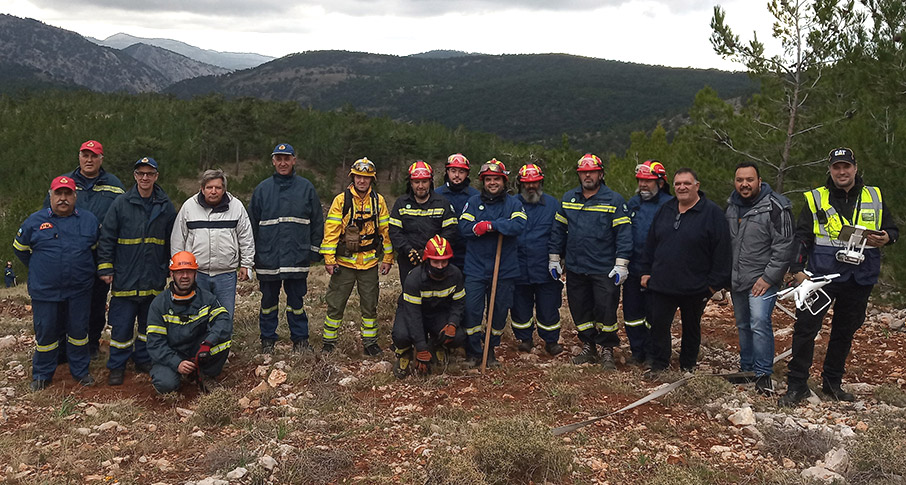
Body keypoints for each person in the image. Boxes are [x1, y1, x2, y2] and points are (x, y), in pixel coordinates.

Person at [779, 148, 898, 406]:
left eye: (846, 167)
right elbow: (802, 237)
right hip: (822, 275)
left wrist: (888, 237)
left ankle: (832, 383)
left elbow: (892, 229)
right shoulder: (815, 198)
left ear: (855, 168)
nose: (841, 172)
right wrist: (797, 270)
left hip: (859, 276)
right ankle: (797, 384)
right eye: (836, 167)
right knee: (805, 328)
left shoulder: (874, 196)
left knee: (844, 332)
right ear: (830, 170)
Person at [639, 168, 731, 374]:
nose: (682, 187)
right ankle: (659, 364)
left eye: (687, 183)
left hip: (696, 286)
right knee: (659, 326)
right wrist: (646, 271)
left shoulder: (712, 214)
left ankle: (687, 365)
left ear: (697, 186)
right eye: (678, 183)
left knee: (691, 327)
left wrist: (713, 284)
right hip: (663, 282)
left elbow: (722, 250)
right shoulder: (666, 209)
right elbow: (651, 242)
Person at [13, 176, 99, 390]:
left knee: (79, 332)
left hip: (79, 290)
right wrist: (42, 268)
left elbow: (97, 250)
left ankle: (80, 371)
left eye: (68, 194)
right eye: (58, 194)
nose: (63, 198)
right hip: (45, 291)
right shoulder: (34, 221)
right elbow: (20, 249)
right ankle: (42, 374)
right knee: (47, 333)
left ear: (75, 197)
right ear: (50, 196)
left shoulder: (89, 220)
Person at [97, 157, 177, 386]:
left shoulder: (164, 205)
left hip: (153, 276)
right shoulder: (121, 203)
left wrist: (171, 267)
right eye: (141, 173)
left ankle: (143, 359)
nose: (145, 178)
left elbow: (172, 239)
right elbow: (107, 237)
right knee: (121, 327)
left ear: (156, 177)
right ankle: (117, 366)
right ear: (134, 176)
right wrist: (105, 266)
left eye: (149, 174)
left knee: (148, 325)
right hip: (125, 277)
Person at [549, 154, 632, 369]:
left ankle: (607, 350)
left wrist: (621, 264)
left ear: (601, 174)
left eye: (592, 171)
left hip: (604, 268)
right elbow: (558, 231)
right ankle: (589, 345)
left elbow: (623, 234)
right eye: (583, 172)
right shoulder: (568, 198)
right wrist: (554, 259)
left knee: (606, 310)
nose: (587, 175)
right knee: (580, 309)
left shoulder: (614, 200)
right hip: (576, 267)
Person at [46, 140, 125, 357]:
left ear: (101, 159)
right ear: (79, 157)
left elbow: (124, 217)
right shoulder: (65, 183)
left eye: (94, 156)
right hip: (70, 256)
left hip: (101, 256)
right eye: (85, 155)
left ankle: (91, 345)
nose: (89, 160)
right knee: (64, 302)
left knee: (97, 303)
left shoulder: (114, 185)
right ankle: (63, 348)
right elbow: (48, 215)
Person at [726, 162, 794, 395]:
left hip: (762, 280)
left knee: (759, 323)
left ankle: (763, 374)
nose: (744, 184)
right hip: (738, 279)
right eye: (740, 180)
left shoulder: (776, 206)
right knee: (743, 325)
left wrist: (768, 278)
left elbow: (784, 247)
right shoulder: (731, 206)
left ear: (759, 180)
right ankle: (747, 369)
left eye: (749, 180)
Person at [249, 144, 324, 354]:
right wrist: (251, 255)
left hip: (297, 256)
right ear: (273, 161)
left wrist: (313, 252)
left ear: (294, 160)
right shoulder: (262, 189)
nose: (283, 163)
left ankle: (300, 340)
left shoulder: (306, 188)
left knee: (296, 302)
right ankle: (267, 341)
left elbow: (318, 221)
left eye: (287, 158)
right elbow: (251, 224)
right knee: (268, 302)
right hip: (267, 257)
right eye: (278, 158)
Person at [320, 157, 394, 355]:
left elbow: (386, 232)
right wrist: (329, 260)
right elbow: (331, 231)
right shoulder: (341, 201)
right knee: (335, 304)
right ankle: (329, 342)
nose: (362, 181)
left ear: (372, 180)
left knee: (370, 306)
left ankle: (370, 343)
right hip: (344, 263)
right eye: (358, 177)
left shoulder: (378, 202)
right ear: (352, 177)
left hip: (369, 263)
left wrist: (388, 258)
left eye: (366, 178)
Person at [459, 159, 526, 367]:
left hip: (504, 268)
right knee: (472, 310)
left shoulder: (513, 203)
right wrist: (475, 228)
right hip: (476, 268)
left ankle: (490, 349)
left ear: (504, 181)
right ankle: (474, 350)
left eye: (496, 179)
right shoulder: (472, 202)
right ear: (483, 181)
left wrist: (492, 226)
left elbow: (519, 224)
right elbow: (463, 227)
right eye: (488, 179)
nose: (492, 183)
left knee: (498, 312)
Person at [172, 169, 255, 318]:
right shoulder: (189, 207)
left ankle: (223, 341)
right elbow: (178, 239)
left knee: (224, 315)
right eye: (209, 187)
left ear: (224, 189)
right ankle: (199, 342)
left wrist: (246, 264)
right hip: (197, 274)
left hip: (226, 274)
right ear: (202, 189)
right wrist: (177, 268)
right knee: (197, 316)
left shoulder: (236, 207)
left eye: (218, 187)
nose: (213, 191)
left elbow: (246, 237)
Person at [146, 251, 232, 394]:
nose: (184, 276)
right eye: (180, 272)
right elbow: (155, 344)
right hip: (171, 353)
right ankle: (180, 374)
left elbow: (223, 320)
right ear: (172, 275)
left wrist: (208, 343)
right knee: (165, 384)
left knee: (224, 341)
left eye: (189, 272)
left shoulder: (207, 298)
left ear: (195, 274)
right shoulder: (159, 304)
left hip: (198, 350)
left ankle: (205, 374)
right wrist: (177, 363)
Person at [391, 235, 466, 378]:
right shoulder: (414, 279)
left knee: (458, 336)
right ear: (427, 259)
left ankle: (436, 345)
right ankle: (405, 352)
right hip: (411, 312)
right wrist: (420, 347)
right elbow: (413, 315)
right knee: (400, 336)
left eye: (444, 262)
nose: (440, 266)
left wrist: (452, 323)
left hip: (437, 313)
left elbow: (458, 303)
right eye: (436, 262)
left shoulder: (456, 275)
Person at [510, 163, 564, 356]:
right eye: (527, 183)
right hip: (518, 266)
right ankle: (524, 339)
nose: (531, 187)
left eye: (535, 183)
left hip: (545, 266)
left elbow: (558, 234)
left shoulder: (553, 205)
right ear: (520, 184)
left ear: (541, 182)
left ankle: (551, 341)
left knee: (548, 306)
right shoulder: (512, 204)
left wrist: (557, 258)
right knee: (520, 306)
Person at [622, 160, 671, 366]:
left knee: (656, 316)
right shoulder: (632, 204)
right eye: (641, 180)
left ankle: (655, 354)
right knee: (632, 314)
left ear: (660, 183)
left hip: (657, 272)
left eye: (648, 181)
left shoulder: (670, 205)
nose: (643, 184)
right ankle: (637, 351)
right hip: (633, 269)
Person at [388, 160, 458, 287]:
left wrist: (430, 251)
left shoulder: (442, 203)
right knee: (410, 296)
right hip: (408, 260)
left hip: (436, 261)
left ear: (430, 181)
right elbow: (395, 231)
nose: (420, 186)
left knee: (435, 298)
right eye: (416, 182)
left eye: (424, 181)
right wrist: (408, 250)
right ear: (411, 183)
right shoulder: (401, 203)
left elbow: (450, 231)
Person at [435, 153, 479, 271]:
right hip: (442, 253)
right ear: (447, 172)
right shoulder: (436, 195)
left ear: (467, 173)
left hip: (469, 253)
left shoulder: (475, 196)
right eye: (453, 171)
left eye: (461, 172)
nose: (457, 175)